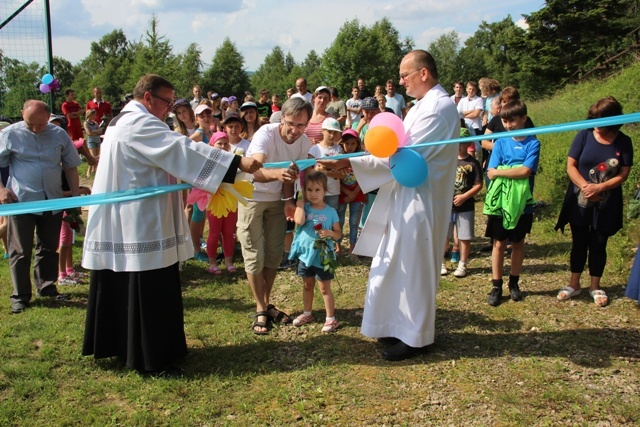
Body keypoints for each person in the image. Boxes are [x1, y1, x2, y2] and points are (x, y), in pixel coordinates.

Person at [81, 74, 261, 374]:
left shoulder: (122, 120)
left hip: (129, 215)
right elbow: (181, 150)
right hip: (138, 219)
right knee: (147, 285)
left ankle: (126, 346)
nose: (170, 108)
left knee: (130, 283)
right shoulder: (138, 122)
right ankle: (150, 356)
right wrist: (235, 163)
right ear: (148, 98)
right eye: (166, 101)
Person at [318, 49, 459, 361]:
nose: (400, 81)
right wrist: (348, 163)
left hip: (422, 200)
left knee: (415, 266)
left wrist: (350, 163)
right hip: (404, 194)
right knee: (392, 261)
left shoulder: (439, 107)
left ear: (424, 73)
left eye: (405, 74)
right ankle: (394, 325)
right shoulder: (423, 105)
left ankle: (417, 335)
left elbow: (401, 153)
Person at [238, 97, 312, 335]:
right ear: (282, 119)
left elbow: (291, 175)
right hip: (252, 198)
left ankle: (266, 304)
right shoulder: (265, 134)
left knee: (272, 254)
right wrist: (277, 174)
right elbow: (253, 169)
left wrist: (289, 202)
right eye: (291, 123)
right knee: (253, 254)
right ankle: (261, 308)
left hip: (277, 202)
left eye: (301, 125)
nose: (295, 130)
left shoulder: (303, 142)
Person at [0, 100, 82, 314]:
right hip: (22, 202)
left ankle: (47, 288)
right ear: (21, 115)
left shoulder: (59, 134)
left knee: (48, 247)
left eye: (40, 124)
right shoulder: (9, 134)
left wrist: (74, 198)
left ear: (48, 117)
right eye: (30, 124)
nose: (36, 129)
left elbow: (71, 167)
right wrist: (1, 190)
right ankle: (20, 296)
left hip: (52, 201)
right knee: (20, 251)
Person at [555, 96, 633, 307]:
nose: (596, 124)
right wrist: (585, 186)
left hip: (607, 201)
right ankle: (574, 284)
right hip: (580, 199)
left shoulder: (623, 141)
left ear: (613, 120)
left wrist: (600, 187)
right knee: (578, 241)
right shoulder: (584, 135)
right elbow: (571, 165)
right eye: (594, 118)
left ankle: (595, 286)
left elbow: (623, 173)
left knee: (599, 243)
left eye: (601, 120)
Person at [483, 100, 540, 307]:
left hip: (522, 203)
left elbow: (526, 171)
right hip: (500, 202)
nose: (508, 126)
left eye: (512, 121)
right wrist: (508, 170)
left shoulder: (533, 143)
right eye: (504, 122)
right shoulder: (500, 143)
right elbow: (491, 171)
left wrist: (502, 171)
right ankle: (496, 285)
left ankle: (514, 283)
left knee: (518, 242)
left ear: (523, 118)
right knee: (499, 243)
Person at [289, 171, 341, 333]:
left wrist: (330, 234)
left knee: (324, 288)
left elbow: (339, 234)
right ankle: (307, 313)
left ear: (325, 190)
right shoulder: (304, 208)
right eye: (309, 190)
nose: (313, 194)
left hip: (323, 257)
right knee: (307, 285)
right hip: (306, 256)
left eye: (317, 190)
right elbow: (299, 221)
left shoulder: (331, 212)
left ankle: (331, 318)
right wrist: (299, 202)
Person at [442, 140, 483, 278]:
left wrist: (464, 197)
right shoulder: (447, 160)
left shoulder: (473, 163)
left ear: (468, 144)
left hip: (466, 206)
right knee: (444, 235)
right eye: (456, 142)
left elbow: (478, 184)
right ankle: (441, 262)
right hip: (447, 206)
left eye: (462, 142)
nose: (459, 145)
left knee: (464, 236)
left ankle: (463, 263)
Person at [204, 132, 239, 275]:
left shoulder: (233, 160)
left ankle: (228, 262)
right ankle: (212, 263)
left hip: (230, 200)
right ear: (212, 145)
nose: (223, 146)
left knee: (229, 233)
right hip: (214, 202)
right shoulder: (207, 161)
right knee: (214, 232)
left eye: (225, 143)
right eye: (219, 143)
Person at [336, 129, 365, 257]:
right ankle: (338, 247)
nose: (350, 147)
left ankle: (353, 249)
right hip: (342, 193)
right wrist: (347, 192)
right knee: (339, 220)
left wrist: (355, 192)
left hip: (357, 194)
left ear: (357, 144)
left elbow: (364, 176)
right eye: (347, 143)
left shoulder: (361, 157)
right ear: (342, 144)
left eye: (353, 143)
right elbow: (337, 178)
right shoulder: (338, 157)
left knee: (354, 222)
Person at [308, 118, 343, 209]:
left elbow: (342, 173)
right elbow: (308, 170)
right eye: (329, 131)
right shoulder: (314, 149)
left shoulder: (339, 149)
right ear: (322, 131)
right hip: (316, 190)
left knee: (331, 216)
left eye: (335, 132)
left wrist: (325, 172)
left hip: (333, 191)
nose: (332, 135)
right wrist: (316, 170)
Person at [84, 109, 102, 177]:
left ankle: (95, 172)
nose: (95, 116)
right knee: (93, 157)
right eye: (94, 114)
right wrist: (96, 132)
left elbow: (100, 131)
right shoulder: (86, 123)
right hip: (91, 142)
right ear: (90, 115)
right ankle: (89, 170)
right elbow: (89, 133)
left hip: (98, 141)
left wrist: (94, 132)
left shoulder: (95, 123)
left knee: (97, 157)